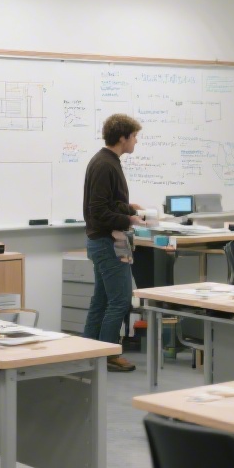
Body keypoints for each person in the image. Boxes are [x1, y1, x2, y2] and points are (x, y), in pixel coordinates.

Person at [82, 113, 144, 372]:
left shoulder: (105, 161)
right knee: (119, 300)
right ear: (123, 137)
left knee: (102, 300)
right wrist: (130, 218)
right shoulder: (106, 164)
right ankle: (108, 354)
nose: (136, 142)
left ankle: (88, 350)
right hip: (108, 242)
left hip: (101, 241)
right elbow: (99, 211)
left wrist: (127, 206)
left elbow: (106, 203)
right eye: (134, 137)